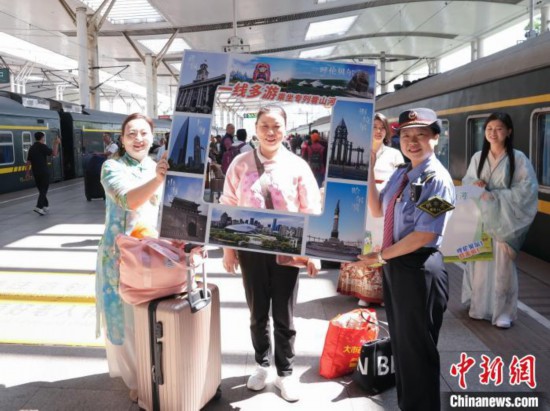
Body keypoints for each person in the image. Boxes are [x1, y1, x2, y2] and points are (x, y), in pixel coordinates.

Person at [350, 108, 455, 411]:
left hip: (419, 268)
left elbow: (425, 234)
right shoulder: (401, 174)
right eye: (406, 136)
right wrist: (368, 170)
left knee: (418, 351)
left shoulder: (438, 180)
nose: (412, 141)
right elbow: (377, 209)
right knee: (403, 347)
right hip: (396, 266)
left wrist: (381, 256)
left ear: (435, 138)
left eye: (421, 135)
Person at [220, 105, 321, 403]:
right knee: (257, 313)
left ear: (285, 130)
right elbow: (227, 204)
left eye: (276, 126)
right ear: (256, 129)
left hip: (287, 252)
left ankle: (285, 372)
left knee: (284, 315)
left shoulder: (297, 166)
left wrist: (312, 253)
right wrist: (228, 250)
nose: (270, 132)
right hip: (251, 251)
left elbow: (311, 209)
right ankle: (262, 364)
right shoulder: (240, 164)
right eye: (265, 125)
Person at [95, 113, 171, 403]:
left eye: (143, 133)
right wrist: (159, 179)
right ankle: (137, 379)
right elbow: (129, 200)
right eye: (131, 134)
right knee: (127, 320)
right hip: (121, 257)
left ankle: (158, 372)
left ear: (153, 137)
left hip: (155, 253)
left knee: (154, 316)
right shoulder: (111, 167)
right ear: (122, 139)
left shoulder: (156, 166)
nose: (138, 139)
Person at [461, 112, 538, 329]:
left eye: (499, 129)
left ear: (508, 132)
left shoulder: (518, 158)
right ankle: (478, 307)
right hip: (481, 220)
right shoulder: (478, 157)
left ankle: (503, 312)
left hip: (505, 223)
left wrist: (495, 196)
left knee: (503, 267)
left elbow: (527, 190)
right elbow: (468, 181)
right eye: (489, 129)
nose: (493, 133)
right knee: (479, 265)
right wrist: (475, 185)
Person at [338, 112, 404, 306]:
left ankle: (383, 292)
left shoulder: (394, 154)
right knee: (363, 243)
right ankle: (363, 292)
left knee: (382, 245)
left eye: (382, 128)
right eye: (374, 127)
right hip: (361, 205)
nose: (378, 131)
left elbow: (401, 180)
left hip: (385, 206)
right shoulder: (358, 151)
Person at [24, 131, 61, 215]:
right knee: (44, 190)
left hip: (35, 172)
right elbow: (54, 154)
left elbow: (28, 162)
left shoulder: (32, 148)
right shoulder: (43, 146)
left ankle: (45, 205)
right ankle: (38, 207)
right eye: (43, 137)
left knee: (41, 190)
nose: (44, 139)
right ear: (42, 138)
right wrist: (56, 143)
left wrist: (27, 173)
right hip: (44, 172)